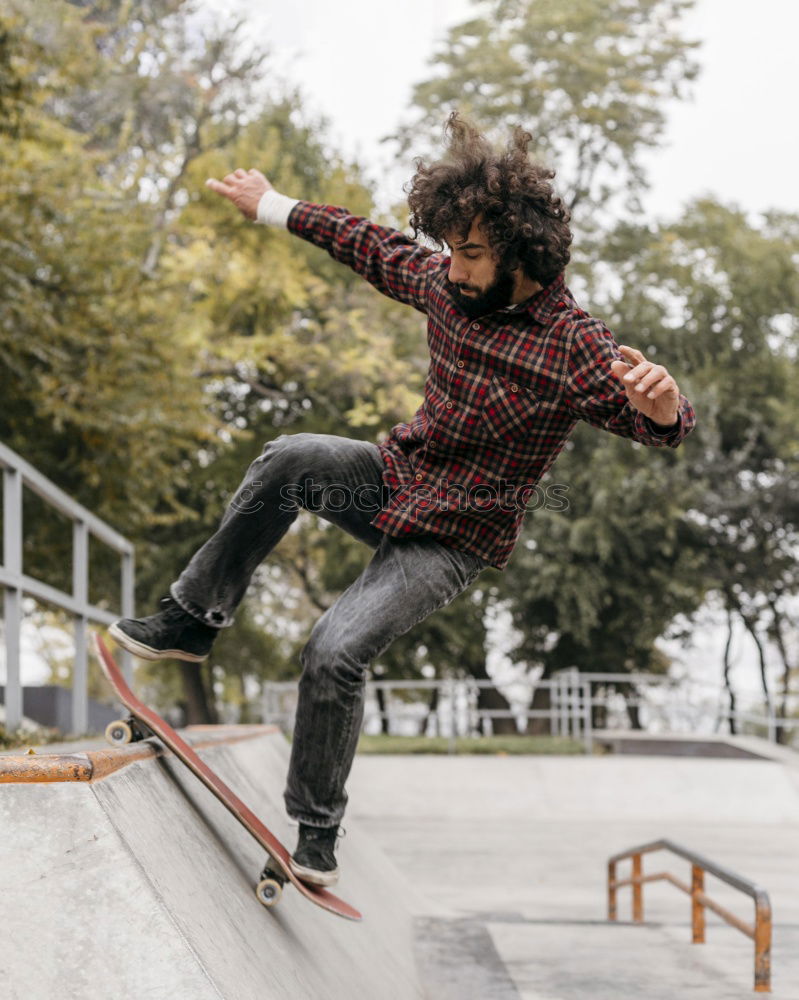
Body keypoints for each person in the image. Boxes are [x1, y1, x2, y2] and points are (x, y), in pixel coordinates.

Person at [110, 113, 696, 887]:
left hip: (454, 536)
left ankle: (315, 834)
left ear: (522, 252)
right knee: (290, 458)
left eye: (473, 255)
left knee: (334, 649)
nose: (453, 270)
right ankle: (193, 618)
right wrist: (272, 204)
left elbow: (654, 426)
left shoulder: (573, 344)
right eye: (451, 250)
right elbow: (369, 244)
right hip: (394, 478)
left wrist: (664, 405)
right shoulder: (444, 283)